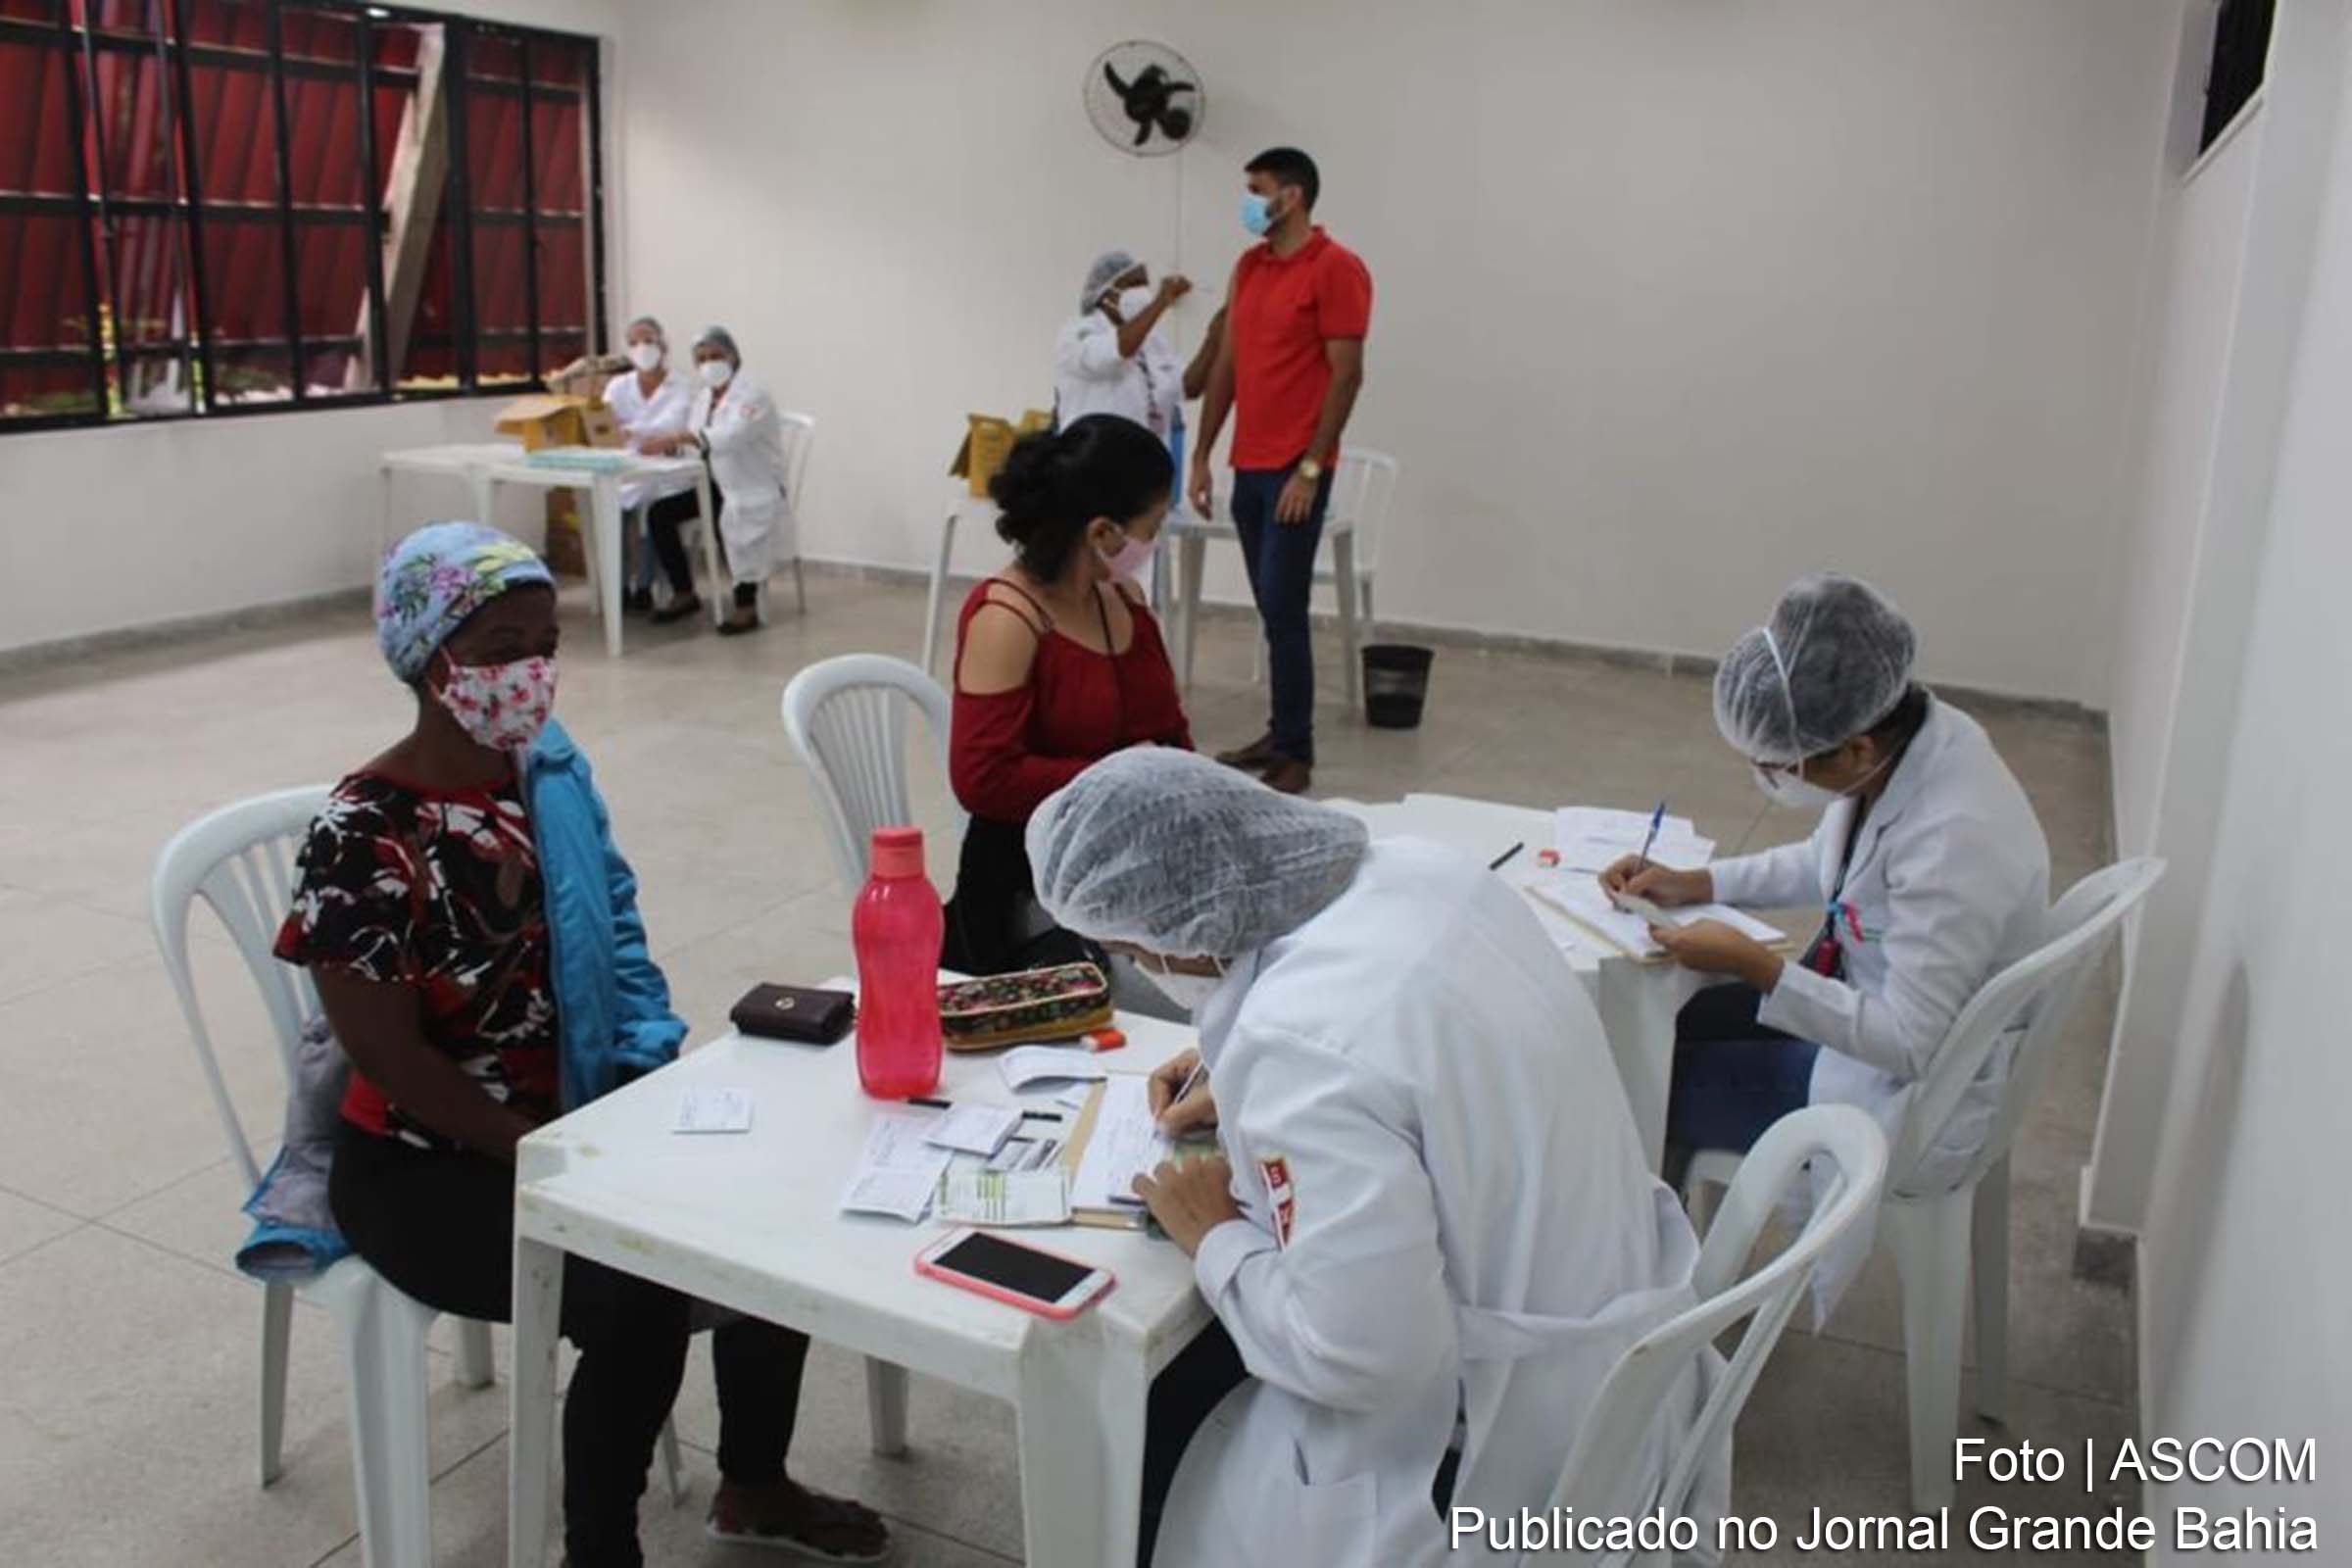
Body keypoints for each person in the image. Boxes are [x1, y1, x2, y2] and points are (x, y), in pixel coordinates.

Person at [275, 524, 887, 1568]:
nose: (533, 670)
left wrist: (645, 1061)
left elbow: (613, 918)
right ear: (433, 663)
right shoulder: (365, 829)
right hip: (424, 1162)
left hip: (572, 1109)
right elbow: (389, 1059)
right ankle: (599, 1551)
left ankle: (753, 1483)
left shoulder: (548, 771)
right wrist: (536, 1147)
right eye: (503, 644)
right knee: (634, 1288)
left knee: (775, 1213)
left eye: (545, 640)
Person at [1026, 749, 1726, 1568]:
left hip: (1498, 1450)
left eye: (1136, 951)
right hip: (1614, 1354)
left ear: (1185, 930)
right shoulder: (1427, 873)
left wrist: (1215, 1233)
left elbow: (1362, 1362)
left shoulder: (1299, 1044)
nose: (1146, 967)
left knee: (1140, 1410)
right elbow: (1413, 1062)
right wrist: (1239, 1072)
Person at [1602, 572, 2048, 1303]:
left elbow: (1908, 1040)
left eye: (1782, 765)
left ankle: (1646, 1295)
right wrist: (1696, 882)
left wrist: (1755, 966)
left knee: (1639, 1083)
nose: (1770, 778)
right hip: (1863, 1014)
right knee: (1657, 1027)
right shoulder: (1915, 743)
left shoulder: (1952, 838)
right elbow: (1826, 861)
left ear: (1854, 746)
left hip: (1901, 1087)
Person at [941, 416, 1193, 988]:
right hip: (1035, 879)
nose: (1156, 542)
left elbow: (1170, 731)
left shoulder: (1121, 599)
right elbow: (984, 778)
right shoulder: (1007, 620)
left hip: (1129, 850)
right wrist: (1126, 778)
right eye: (1153, 526)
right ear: (1103, 533)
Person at [1188, 146, 1372, 796]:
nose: (1246, 201)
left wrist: (1313, 468)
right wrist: (1204, 454)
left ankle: (1296, 748)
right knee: (1271, 608)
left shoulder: (1336, 269)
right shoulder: (1250, 266)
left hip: (1296, 471)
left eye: (1255, 188)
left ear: (1290, 196)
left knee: (1284, 608)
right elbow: (1227, 367)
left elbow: (1346, 375)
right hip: (1250, 467)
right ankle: (1279, 730)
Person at [639, 325, 787, 635]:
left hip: (751, 484)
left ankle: (746, 607)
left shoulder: (753, 395)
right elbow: (696, 440)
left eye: (716, 355)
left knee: (731, 518)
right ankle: (684, 592)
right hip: (714, 484)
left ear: (733, 357)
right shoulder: (705, 397)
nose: (709, 364)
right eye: (702, 358)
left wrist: (684, 437)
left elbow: (731, 436)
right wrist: (672, 446)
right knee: (659, 513)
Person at [602, 315, 703, 616]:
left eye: (648, 340)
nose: (641, 348)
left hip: (667, 470)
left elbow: (673, 424)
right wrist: (635, 433)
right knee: (612, 506)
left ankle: (644, 586)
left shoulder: (681, 386)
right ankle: (619, 587)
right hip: (625, 464)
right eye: (633, 342)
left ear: (663, 345)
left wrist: (633, 430)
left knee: (652, 508)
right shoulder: (618, 386)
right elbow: (605, 424)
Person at [1054, 249, 1191, 443]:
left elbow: (1188, 386)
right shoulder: (1077, 331)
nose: (1143, 292)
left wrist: (1214, 337)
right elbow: (1115, 352)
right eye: (1134, 285)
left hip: (1144, 458)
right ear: (1105, 294)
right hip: (1091, 458)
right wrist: (1162, 301)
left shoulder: (1152, 340)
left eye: (1145, 284)